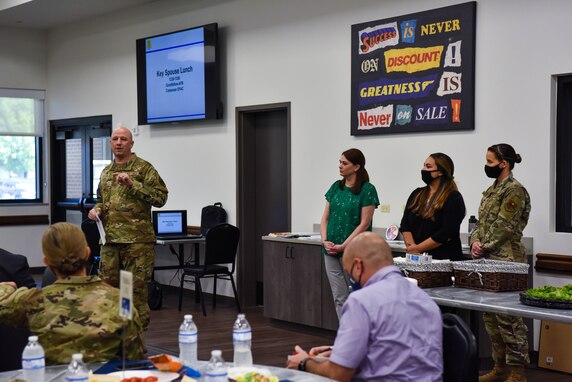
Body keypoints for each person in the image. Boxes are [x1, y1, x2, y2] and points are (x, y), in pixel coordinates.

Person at [287, 232, 443, 381]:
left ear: (358, 265)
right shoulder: (427, 301)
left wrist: (304, 362)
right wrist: (340, 351)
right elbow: (399, 350)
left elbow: (338, 375)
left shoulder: (361, 302)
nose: (351, 279)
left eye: (349, 273)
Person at [0, 222, 145, 365]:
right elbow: (133, 358)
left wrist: (8, 288)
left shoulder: (32, 302)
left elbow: (3, 302)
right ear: (87, 253)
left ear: (47, 261)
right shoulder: (120, 300)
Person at [88, 126, 168, 330]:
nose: (118, 142)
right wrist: (95, 210)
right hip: (110, 242)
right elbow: (101, 200)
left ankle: (137, 336)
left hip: (137, 243)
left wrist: (133, 184)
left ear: (131, 143)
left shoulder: (144, 168)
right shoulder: (106, 171)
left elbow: (161, 198)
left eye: (123, 139)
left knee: (134, 291)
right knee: (109, 289)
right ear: (110, 143)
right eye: (115, 139)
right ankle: (116, 333)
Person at [470, 143, 531, 382]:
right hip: (488, 260)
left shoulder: (514, 190)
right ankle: (500, 368)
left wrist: (483, 245)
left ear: (503, 164)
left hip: (507, 260)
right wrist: (475, 241)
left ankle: (517, 372)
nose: (486, 166)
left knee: (509, 318)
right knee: (491, 317)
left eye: (490, 162)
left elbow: (505, 226)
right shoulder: (491, 190)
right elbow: (479, 223)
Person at [320, 148, 379, 317]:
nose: (340, 166)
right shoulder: (336, 187)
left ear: (356, 167)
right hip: (330, 250)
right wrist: (325, 241)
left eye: (344, 163)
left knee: (357, 297)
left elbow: (364, 223)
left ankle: (360, 338)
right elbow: (325, 218)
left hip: (354, 251)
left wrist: (344, 246)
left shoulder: (367, 189)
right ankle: (346, 337)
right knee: (340, 297)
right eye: (339, 162)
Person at [400, 152, 466, 261]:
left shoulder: (453, 197)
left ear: (440, 172)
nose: (423, 169)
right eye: (424, 165)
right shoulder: (417, 193)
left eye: (428, 166)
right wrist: (412, 247)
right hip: (416, 258)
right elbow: (405, 223)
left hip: (443, 260)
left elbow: (446, 232)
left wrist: (418, 248)